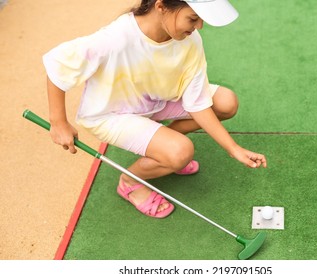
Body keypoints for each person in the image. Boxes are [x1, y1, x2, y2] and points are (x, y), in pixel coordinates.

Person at [44, 0, 267, 219]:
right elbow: (57, 64)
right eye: (193, 18)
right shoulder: (115, 39)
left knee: (226, 102)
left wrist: (233, 148)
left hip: (156, 101)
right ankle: (131, 181)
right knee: (181, 151)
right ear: (161, 6)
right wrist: (58, 122)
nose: (199, 26)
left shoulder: (190, 40)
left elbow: (198, 103)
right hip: (111, 115)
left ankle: (163, 148)